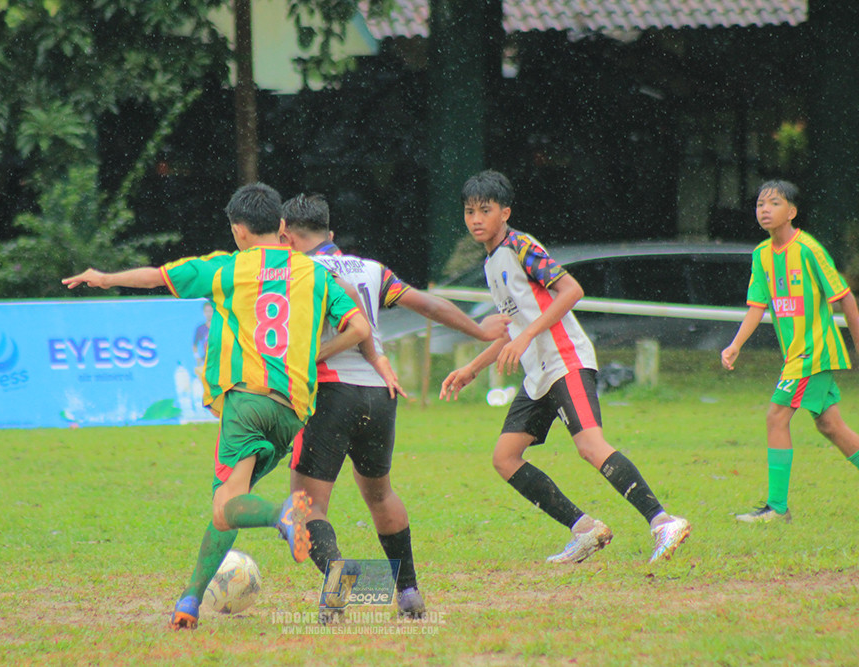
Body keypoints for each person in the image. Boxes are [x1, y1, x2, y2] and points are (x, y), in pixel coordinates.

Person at [62, 182, 371, 630]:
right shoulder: (314, 273)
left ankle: (282, 514)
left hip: (245, 402)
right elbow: (359, 326)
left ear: (239, 231)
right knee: (226, 501)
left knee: (228, 507)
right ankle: (189, 600)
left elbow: (157, 276)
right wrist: (313, 357)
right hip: (292, 412)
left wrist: (106, 278)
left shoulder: (226, 268)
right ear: (282, 226)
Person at [440, 170, 691, 564]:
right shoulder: (491, 264)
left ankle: (663, 521)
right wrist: (473, 367)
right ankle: (586, 530)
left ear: (505, 212)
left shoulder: (520, 245)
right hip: (538, 373)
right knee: (505, 458)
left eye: (484, 210)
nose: (475, 219)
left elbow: (571, 290)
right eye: (470, 211)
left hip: (565, 360)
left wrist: (525, 337)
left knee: (590, 447)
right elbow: (514, 327)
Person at [280, 194, 508, 620]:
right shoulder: (370, 269)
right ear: (330, 235)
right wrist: (479, 331)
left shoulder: (297, 270)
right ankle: (408, 593)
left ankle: (339, 583)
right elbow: (428, 304)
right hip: (379, 394)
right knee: (380, 494)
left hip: (330, 391)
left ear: (286, 236)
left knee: (304, 504)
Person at [722, 180, 859, 522]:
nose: (764, 209)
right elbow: (757, 306)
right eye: (759, 204)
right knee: (830, 426)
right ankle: (776, 509)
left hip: (813, 353)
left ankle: (777, 509)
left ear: (792, 212)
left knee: (776, 416)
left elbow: (845, 298)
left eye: (774, 203)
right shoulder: (761, 256)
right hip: (796, 356)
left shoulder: (808, 249)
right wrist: (735, 345)